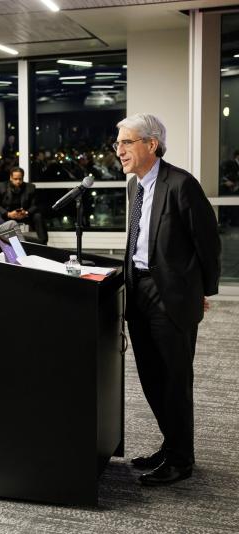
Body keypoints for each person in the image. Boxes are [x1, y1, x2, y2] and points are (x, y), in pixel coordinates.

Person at [116, 114, 221, 486]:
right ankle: (171, 444)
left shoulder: (181, 184)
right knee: (151, 377)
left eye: (126, 142)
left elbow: (207, 242)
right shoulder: (135, 187)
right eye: (118, 143)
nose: (119, 150)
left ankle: (181, 460)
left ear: (151, 144)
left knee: (175, 380)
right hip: (138, 292)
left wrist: (202, 291)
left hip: (170, 297)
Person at [0, 167, 48, 244]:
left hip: (24, 215)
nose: (18, 181)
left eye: (20, 179)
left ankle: (43, 242)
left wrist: (26, 213)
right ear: (10, 177)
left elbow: (35, 205)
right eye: (15, 179)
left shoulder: (30, 187)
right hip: (7, 215)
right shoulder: (1, 186)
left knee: (38, 216)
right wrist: (8, 214)